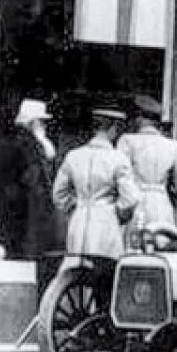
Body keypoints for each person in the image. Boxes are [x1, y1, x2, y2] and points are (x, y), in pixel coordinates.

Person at [52, 108, 140, 259]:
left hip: (78, 221)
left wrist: (75, 206)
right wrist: (117, 213)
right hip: (105, 222)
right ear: (113, 128)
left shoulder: (73, 156)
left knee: (75, 271)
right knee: (103, 271)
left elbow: (58, 195)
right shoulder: (118, 159)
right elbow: (131, 198)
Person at [0, 99, 61, 259]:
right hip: (26, 208)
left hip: (25, 207)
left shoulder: (26, 142)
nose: (45, 126)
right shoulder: (26, 144)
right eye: (42, 122)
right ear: (34, 122)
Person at [117, 95, 177, 236]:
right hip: (163, 206)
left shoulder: (127, 141)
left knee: (133, 251)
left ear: (140, 118)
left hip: (135, 205)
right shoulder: (173, 146)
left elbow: (119, 177)